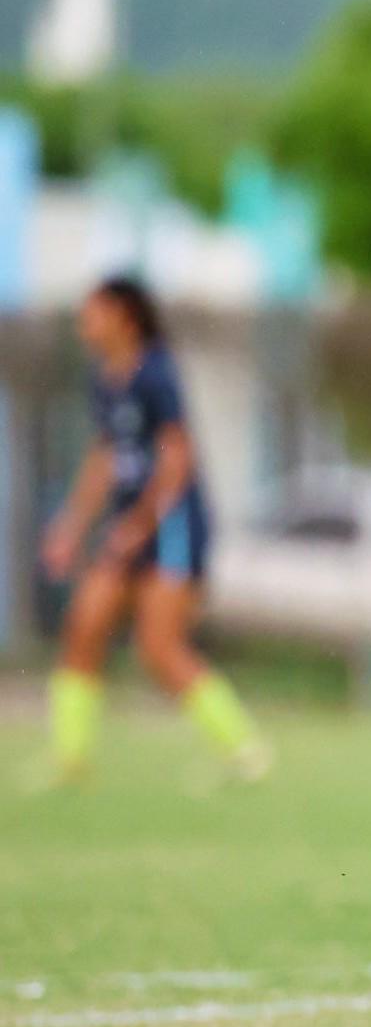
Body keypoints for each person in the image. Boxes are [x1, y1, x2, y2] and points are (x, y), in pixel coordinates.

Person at [39, 276, 268, 783]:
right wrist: (72, 525)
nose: (84, 324)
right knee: (83, 626)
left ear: (123, 315)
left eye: (92, 313)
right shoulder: (103, 378)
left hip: (171, 527)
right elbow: (105, 457)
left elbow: (178, 456)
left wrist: (142, 524)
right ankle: (70, 760)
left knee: (159, 647)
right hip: (126, 526)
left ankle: (246, 750)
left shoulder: (156, 374)